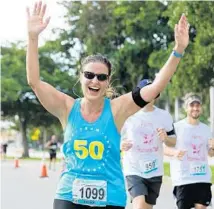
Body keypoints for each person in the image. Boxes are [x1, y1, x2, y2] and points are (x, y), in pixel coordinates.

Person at [26, 2, 189, 209]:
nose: (95, 81)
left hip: (110, 195)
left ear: (108, 81)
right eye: (89, 75)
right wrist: (32, 38)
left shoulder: (117, 109)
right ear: (81, 77)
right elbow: (34, 82)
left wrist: (178, 50)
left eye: (101, 77)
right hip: (69, 194)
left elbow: (155, 87)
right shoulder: (66, 107)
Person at [120, 89, 176, 209]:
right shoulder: (128, 115)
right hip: (134, 169)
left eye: (152, 92)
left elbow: (173, 141)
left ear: (156, 95)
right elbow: (115, 137)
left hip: (155, 170)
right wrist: (121, 145)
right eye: (145, 92)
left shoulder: (164, 116)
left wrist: (166, 138)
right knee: (139, 205)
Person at [164, 93, 214, 209]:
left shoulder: (206, 129)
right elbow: (163, 148)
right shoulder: (176, 128)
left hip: (202, 178)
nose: (195, 108)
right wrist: (175, 153)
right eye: (192, 105)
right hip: (183, 179)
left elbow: (211, 154)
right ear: (186, 108)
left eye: (198, 105)